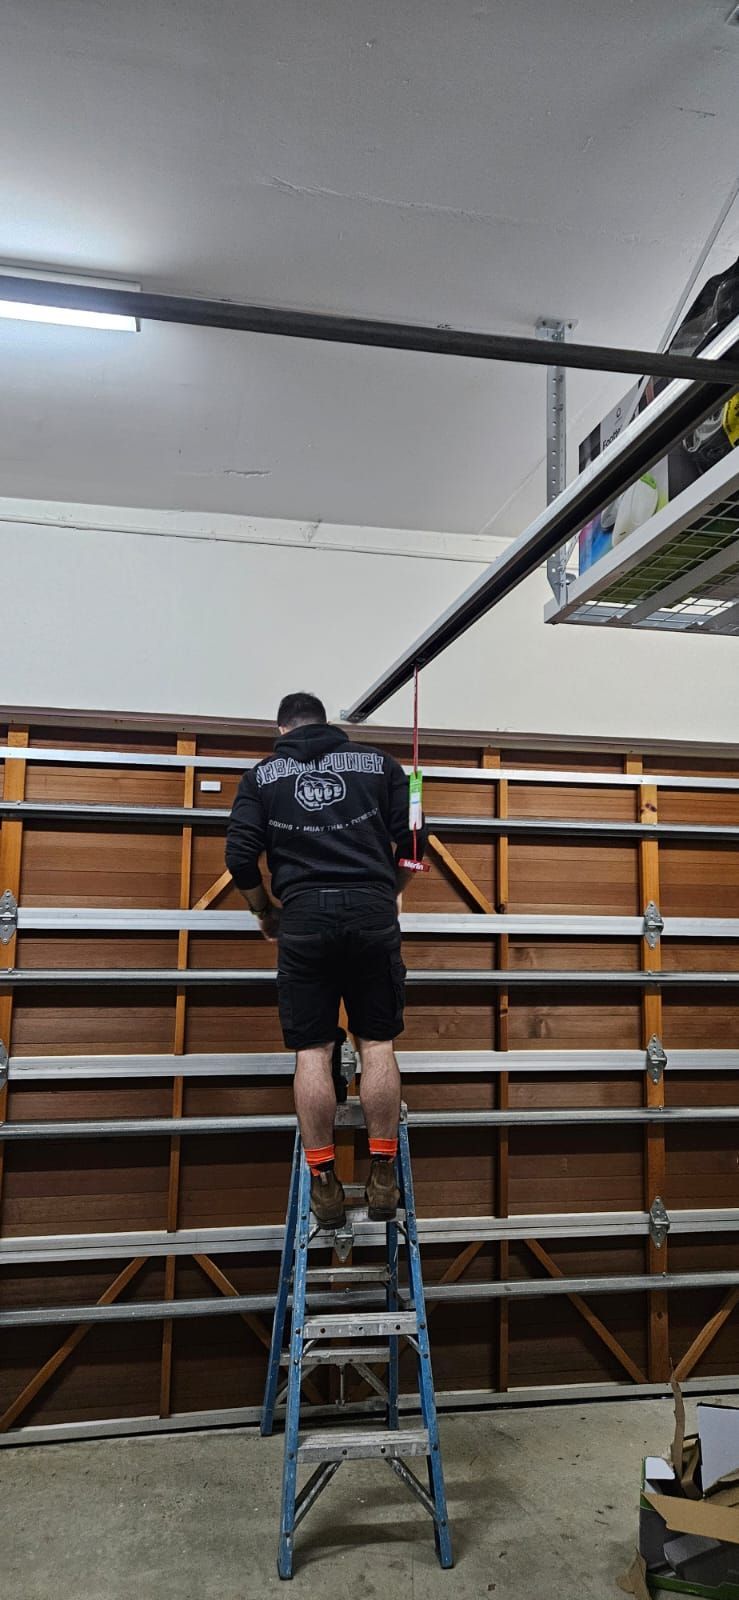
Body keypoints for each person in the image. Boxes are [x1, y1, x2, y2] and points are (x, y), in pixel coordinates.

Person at [225, 691, 427, 1229]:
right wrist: (392, 890)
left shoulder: (261, 777)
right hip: (370, 913)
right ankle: (383, 1172)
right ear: (327, 723)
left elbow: (240, 855)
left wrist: (264, 910)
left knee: (312, 1052)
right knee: (377, 1043)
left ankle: (323, 1185)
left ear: (283, 728)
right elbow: (414, 843)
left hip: (304, 919)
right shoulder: (382, 765)